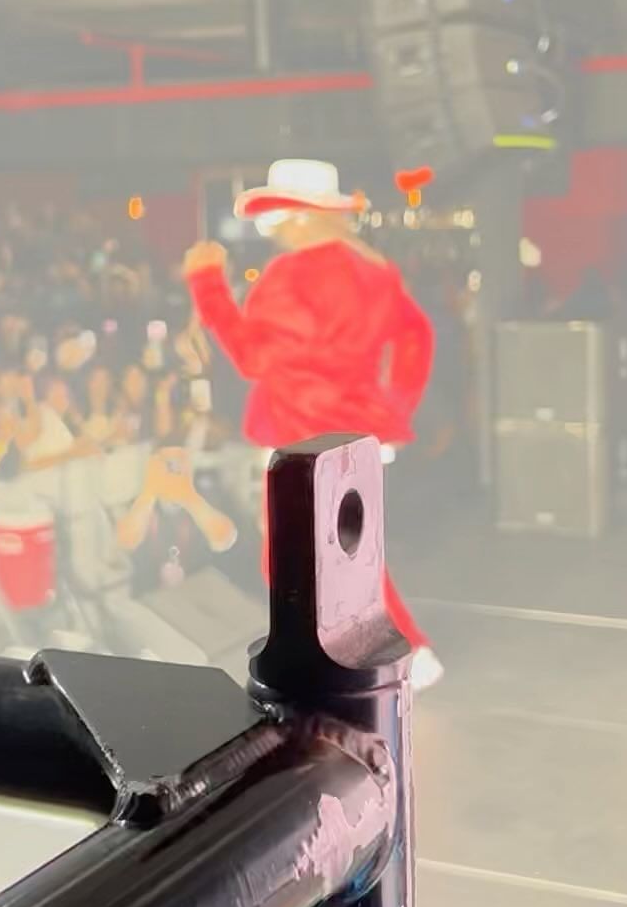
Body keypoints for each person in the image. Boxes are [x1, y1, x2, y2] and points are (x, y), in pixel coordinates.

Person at [183, 157, 442, 688]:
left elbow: (251, 357)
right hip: (356, 435)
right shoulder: (374, 269)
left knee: (295, 559)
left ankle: (393, 654)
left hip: (301, 436)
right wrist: (393, 410)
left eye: (274, 218)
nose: (270, 231)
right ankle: (372, 654)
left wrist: (207, 285)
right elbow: (417, 337)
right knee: (341, 550)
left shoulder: (290, 275)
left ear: (299, 217)